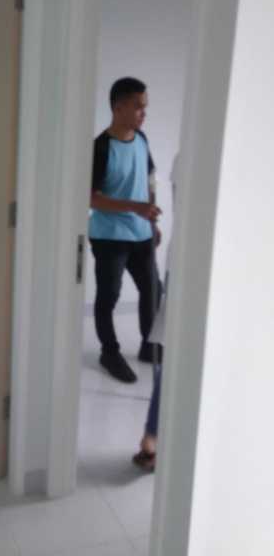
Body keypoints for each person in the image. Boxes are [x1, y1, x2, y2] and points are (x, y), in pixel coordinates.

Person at [89, 77, 161, 384]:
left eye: (145, 106)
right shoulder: (101, 147)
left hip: (141, 232)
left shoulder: (141, 138)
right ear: (118, 107)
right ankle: (109, 353)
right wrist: (135, 207)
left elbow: (150, 178)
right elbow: (90, 198)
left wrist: (152, 221)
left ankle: (148, 345)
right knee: (109, 297)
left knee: (153, 290)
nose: (144, 113)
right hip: (109, 236)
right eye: (138, 106)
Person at [133, 153, 179, 472]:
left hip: (181, 262)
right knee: (178, 358)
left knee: (175, 357)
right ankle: (153, 437)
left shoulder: (177, 157)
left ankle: (152, 437)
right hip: (192, 268)